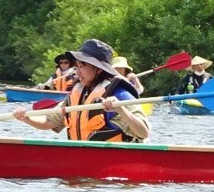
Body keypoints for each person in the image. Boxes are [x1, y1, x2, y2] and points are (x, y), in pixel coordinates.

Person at [19, 39, 149, 143]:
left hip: (117, 161)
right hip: (85, 160)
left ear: (99, 69)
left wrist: (121, 109)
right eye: (76, 66)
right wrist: (26, 118)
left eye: (82, 66)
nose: (77, 72)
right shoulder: (77, 93)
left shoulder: (119, 93)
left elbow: (143, 132)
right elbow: (49, 122)